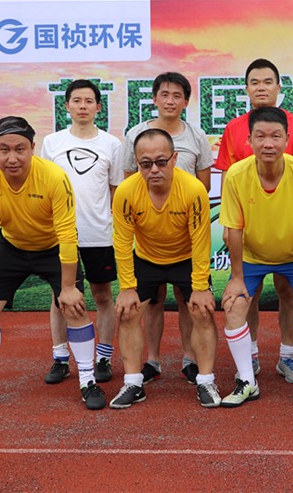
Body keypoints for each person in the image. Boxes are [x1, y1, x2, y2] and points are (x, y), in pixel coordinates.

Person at [0, 116, 105, 411]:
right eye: (4, 149)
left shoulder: (54, 177)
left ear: (33, 148)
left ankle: (88, 381)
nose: (12, 158)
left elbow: (67, 234)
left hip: (53, 248)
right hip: (12, 249)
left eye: (20, 149)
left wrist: (68, 287)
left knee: (75, 308)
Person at [215, 58, 293, 384]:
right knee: (248, 296)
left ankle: (288, 356)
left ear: (278, 87)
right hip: (250, 235)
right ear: (246, 88)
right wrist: (231, 230)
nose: (261, 88)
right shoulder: (233, 129)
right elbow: (230, 181)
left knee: (290, 293)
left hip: (289, 237)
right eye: (255, 82)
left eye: (267, 82)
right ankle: (250, 355)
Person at [109, 128, 219, 409]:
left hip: (186, 258)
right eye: (146, 164)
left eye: (161, 161)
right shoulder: (126, 191)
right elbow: (122, 242)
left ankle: (206, 380)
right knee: (127, 311)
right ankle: (133, 382)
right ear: (136, 163)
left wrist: (200, 286)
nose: (154, 169)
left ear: (174, 158)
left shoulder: (193, 189)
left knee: (202, 311)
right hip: (147, 259)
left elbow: (201, 241)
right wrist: (127, 287)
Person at [118, 72, 213, 385]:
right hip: (149, 241)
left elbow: (203, 184)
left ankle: (190, 360)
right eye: (164, 94)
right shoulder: (136, 135)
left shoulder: (196, 136)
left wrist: (181, 204)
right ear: (154, 98)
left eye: (177, 95)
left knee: (191, 303)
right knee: (151, 303)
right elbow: (132, 183)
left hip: (185, 234)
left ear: (186, 101)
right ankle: (152, 361)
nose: (170, 101)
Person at [40, 79, 123, 385]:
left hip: (99, 234)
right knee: (60, 298)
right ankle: (60, 358)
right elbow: (44, 189)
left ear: (98, 107)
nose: (83, 106)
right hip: (62, 237)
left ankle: (103, 356)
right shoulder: (52, 143)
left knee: (102, 295)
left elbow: (115, 190)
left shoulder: (111, 144)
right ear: (67, 106)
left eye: (89, 101)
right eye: (77, 101)